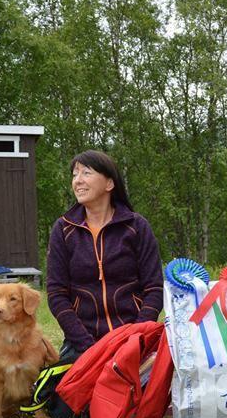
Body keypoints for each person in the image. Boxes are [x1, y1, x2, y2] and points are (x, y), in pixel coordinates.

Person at [46, 150, 163, 364]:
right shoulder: (63, 229)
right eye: (74, 175)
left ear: (109, 184)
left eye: (86, 173)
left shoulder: (137, 227)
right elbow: (56, 294)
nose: (77, 181)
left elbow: (154, 289)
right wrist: (88, 347)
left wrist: (135, 338)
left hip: (134, 339)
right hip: (82, 344)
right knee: (65, 396)